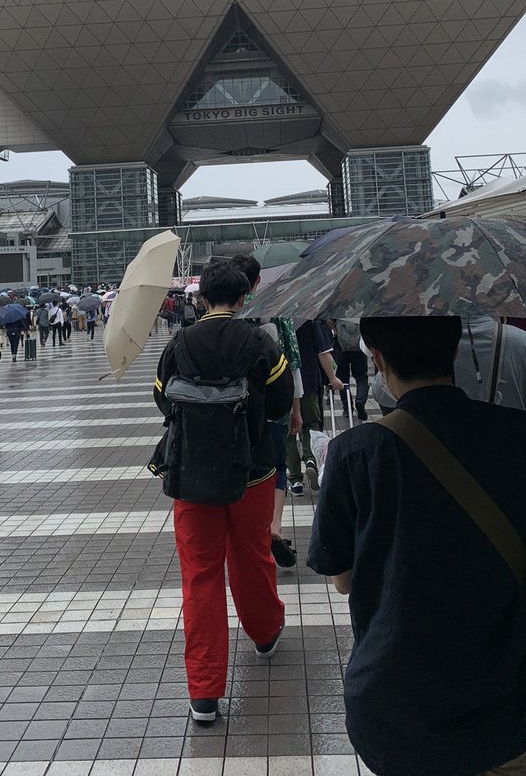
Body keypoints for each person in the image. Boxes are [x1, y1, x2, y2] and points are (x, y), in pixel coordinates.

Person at [308, 316, 526, 776]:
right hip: (510, 702)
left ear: (378, 358)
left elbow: (343, 579)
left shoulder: (355, 451)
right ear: (455, 349)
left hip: (397, 708)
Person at [154, 260, 293, 723]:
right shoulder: (259, 342)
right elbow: (278, 401)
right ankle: (265, 631)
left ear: (203, 296)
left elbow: (162, 397)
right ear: (243, 297)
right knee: (251, 558)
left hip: (191, 476)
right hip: (251, 472)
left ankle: (205, 691)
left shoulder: (180, 342)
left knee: (200, 575)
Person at [371, 315, 526, 456]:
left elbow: (382, 393)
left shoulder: (409, 340)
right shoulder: (522, 343)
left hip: (425, 473)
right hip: (513, 478)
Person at [231, 254, 304, 569]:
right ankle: (274, 525)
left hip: (236, 408)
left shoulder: (226, 312)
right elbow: (292, 361)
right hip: (275, 405)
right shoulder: (276, 309)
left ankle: (248, 528)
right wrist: (296, 408)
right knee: (277, 467)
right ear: (258, 281)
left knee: (246, 466)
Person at [288, 320, 344, 494]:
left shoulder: (274, 320)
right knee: (311, 423)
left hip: (281, 384)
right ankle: (310, 459)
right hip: (308, 382)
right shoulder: (308, 320)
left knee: (288, 433)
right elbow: (323, 353)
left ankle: (295, 480)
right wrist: (333, 378)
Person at [334, 317, 369, 420]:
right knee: (362, 377)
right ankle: (360, 400)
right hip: (359, 349)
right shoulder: (360, 305)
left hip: (341, 349)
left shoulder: (336, 306)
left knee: (343, 380)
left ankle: (347, 408)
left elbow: (328, 321)